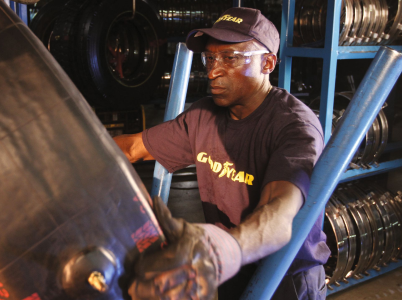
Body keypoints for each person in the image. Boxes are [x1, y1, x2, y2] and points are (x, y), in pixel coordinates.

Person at [113, 7, 331, 300]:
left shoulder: (293, 126)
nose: (213, 71)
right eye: (210, 58)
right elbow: (131, 148)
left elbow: (279, 212)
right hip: (228, 269)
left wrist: (224, 250)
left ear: (267, 63)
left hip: (283, 277)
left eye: (230, 58)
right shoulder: (204, 114)